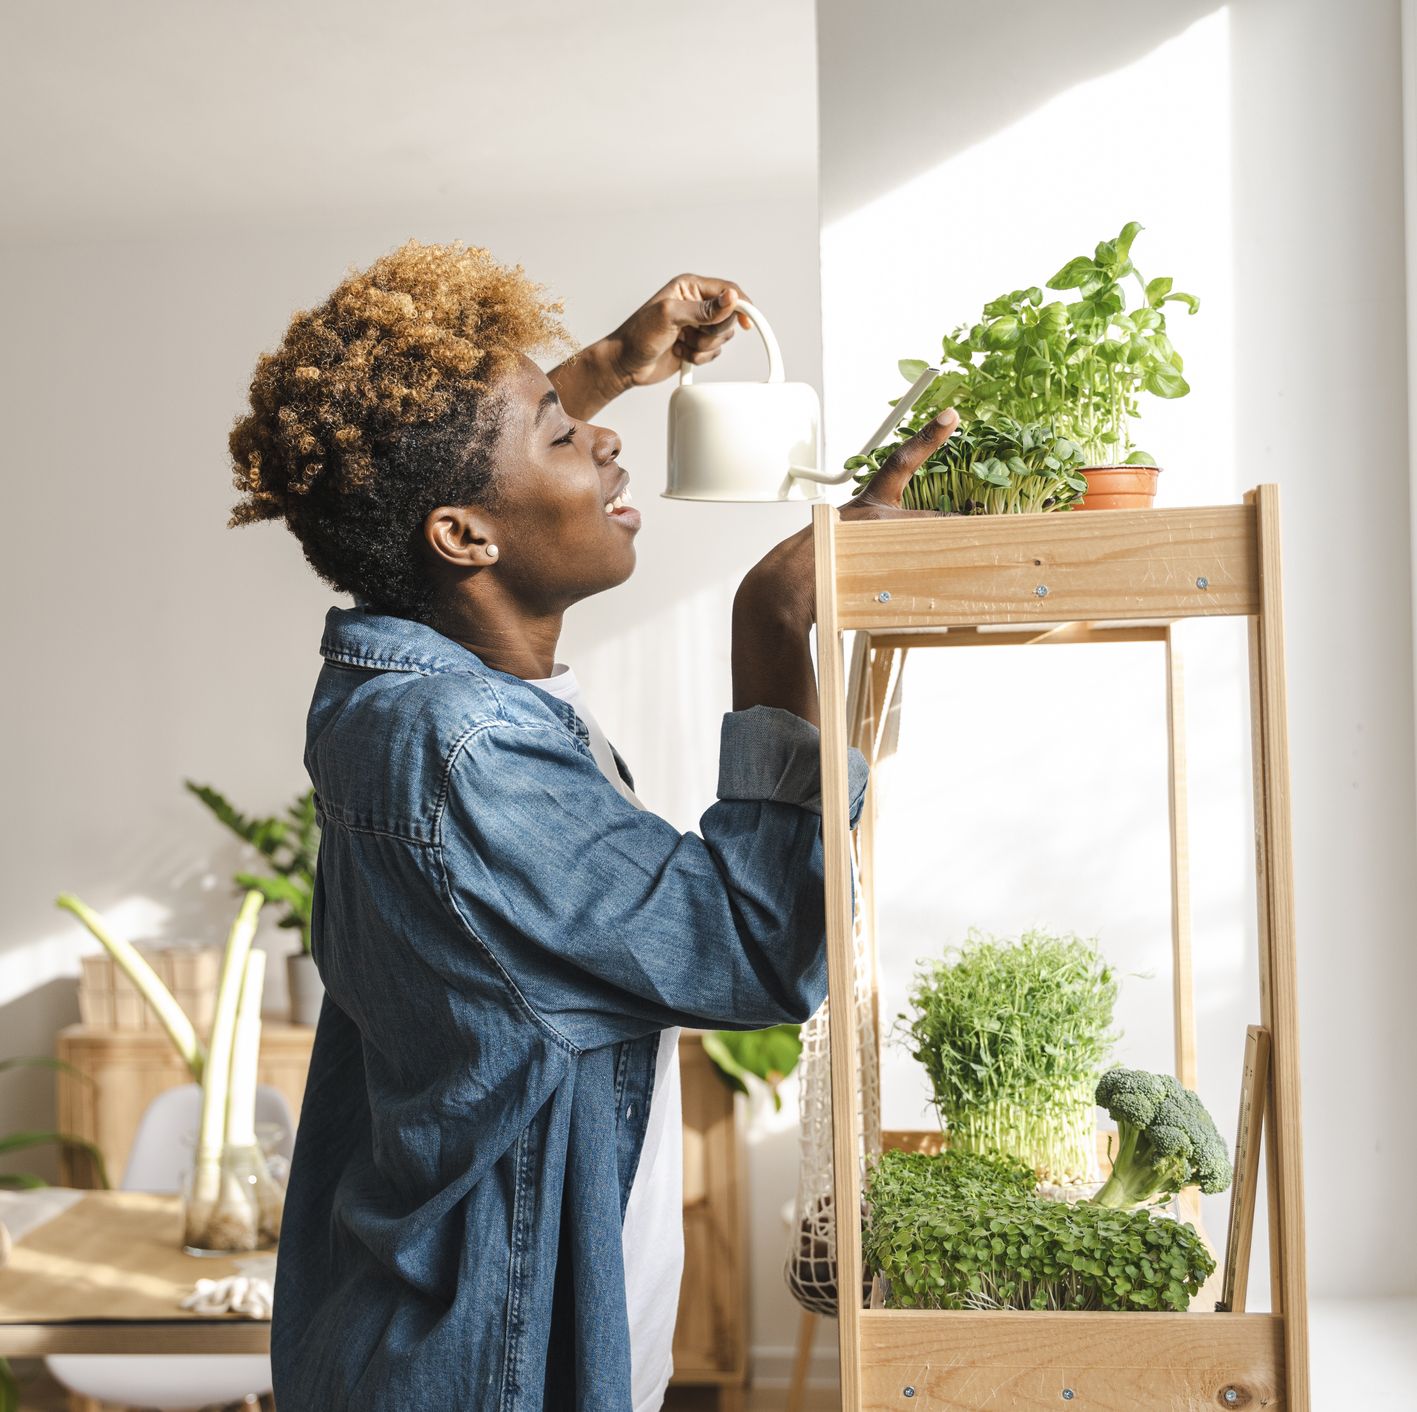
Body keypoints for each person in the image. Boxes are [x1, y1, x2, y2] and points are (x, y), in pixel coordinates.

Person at [227, 241, 956, 1411]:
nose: (604, 437)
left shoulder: (407, 688)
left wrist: (613, 364)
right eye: (562, 433)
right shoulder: (465, 750)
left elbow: (452, 473)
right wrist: (773, 621)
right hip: (477, 1371)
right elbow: (759, 953)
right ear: (465, 537)